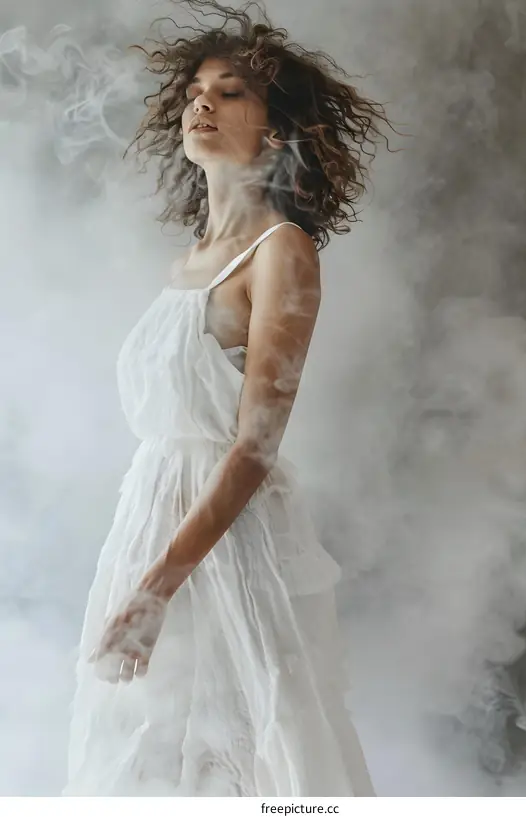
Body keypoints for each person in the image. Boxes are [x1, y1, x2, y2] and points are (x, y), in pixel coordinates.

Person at [63, 0, 398, 796]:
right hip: (149, 520)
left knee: (251, 757)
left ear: (277, 130)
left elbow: (254, 445)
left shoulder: (283, 252)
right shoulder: (190, 258)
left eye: (232, 92)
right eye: (195, 93)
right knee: (141, 757)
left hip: (227, 546)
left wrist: (157, 588)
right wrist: (139, 571)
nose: (202, 103)